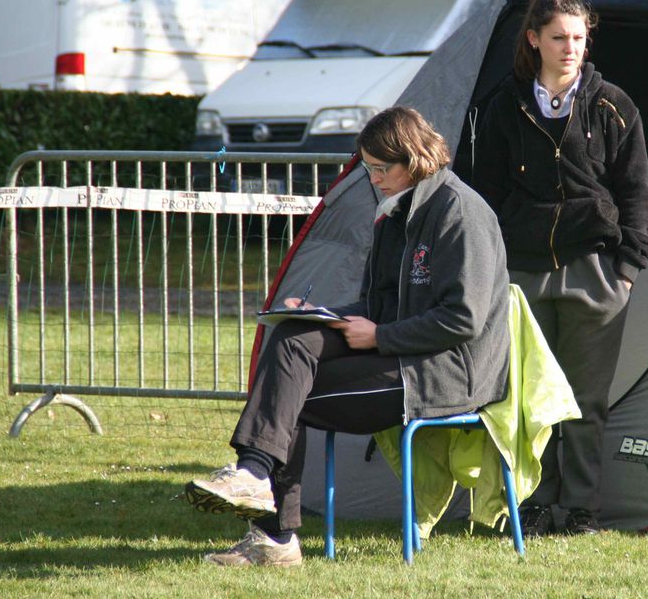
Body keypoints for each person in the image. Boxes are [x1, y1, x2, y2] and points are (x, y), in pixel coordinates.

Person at [186, 106, 511, 566]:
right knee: (292, 338)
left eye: (381, 168)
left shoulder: (461, 211)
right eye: (368, 168)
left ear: (415, 158)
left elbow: (463, 320)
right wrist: (321, 316)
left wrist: (379, 337)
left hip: (448, 373)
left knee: (286, 398)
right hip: (402, 352)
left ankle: (274, 532)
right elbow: (376, 308)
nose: (373, 179)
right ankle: (257, 483)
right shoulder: (395, 211)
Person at [470, 0, 648, 536]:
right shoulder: (502, 106)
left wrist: (626, 272)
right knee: (529, 397)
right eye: (558, 37)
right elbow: (486, 195)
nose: (571, 47)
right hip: (522, 274)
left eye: (578, 36)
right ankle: (530, 504)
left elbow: (637, 195)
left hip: (596, 274)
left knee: (583, 402)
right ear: (534, 39)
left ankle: (580, 510)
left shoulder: (614, 106)